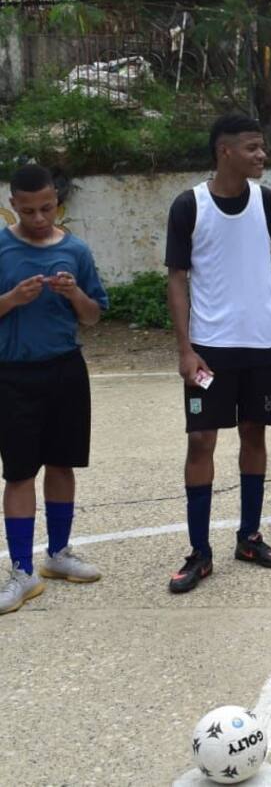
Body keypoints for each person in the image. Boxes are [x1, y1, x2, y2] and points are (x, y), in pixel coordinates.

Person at [164, 114, 271, 593]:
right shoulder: (189, 205)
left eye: (262, 147)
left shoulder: (266, 201)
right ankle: (199, 552)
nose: (262, 155)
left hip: (260, 345)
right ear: (225, 151)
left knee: (255, 435)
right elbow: (176, 278)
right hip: (210, 349)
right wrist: (185, 348)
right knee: (202, 442)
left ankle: (250, 537)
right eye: (253, 148)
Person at [0, 164, 108, 613]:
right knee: (20, 473)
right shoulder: (2, 248)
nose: (39, 217)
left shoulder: (76, 250)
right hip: (12, 373)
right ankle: (21, 571)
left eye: (47, 208)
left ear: (57, 202)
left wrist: (74, 295)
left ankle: (58, 554)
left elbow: (94, 316)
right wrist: (10, 300)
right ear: (13, 206)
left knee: (63, 464)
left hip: (65, 369)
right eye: (29, 210)